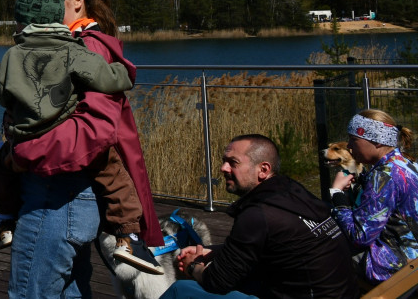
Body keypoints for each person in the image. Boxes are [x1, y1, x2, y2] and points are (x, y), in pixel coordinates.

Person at [0, 0, 163, 278]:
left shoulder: (11, 55)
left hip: (22, 140)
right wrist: (122, 69)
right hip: (62, 145)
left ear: (22, 22)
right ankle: (129, 236)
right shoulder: (74, 51)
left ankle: (5, 222)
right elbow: (109, 79)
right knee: (114, 173)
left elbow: (1, 95)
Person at [163, 134, 359, 299]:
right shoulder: (291, 190)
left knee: (181, 290)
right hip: (342, 293)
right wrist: (212, 251)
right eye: (224, 161)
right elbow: (273, 246)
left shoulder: (258, 214)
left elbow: (217, 281)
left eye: (233, 163)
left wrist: (192, 266)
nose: (223, 168)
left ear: (263, 170)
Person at [331, 109, 418, 284]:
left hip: (394, 266)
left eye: (354, 139)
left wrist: (337, 195)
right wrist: (361, 181)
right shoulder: (404, 164)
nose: (349, 146)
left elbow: (359, 237)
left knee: (323, 255)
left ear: (377, 141)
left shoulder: (384, 176)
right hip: (412, 257)